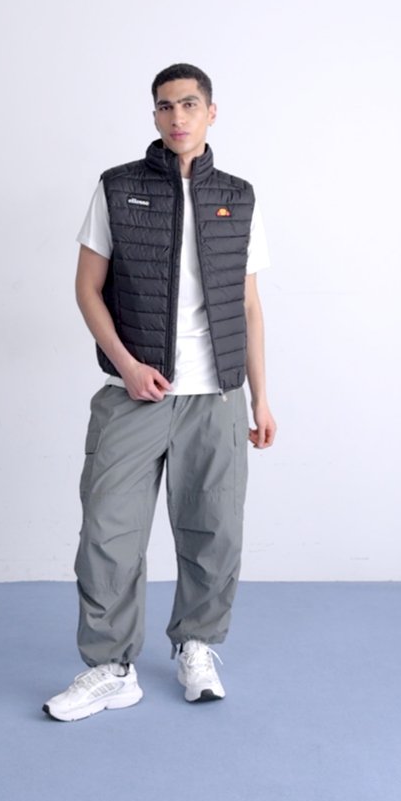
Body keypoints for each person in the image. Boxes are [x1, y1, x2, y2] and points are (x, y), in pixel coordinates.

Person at [43, 63, 276, 722]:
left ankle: (196, 646)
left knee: (213, 532)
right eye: (166, 106)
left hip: (216, 398)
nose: (178, 117)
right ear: (154, 115)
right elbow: (87, 288)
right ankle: (111, 669)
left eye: (190, 104)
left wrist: (261, 397)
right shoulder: (118, 187)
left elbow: (249, 307)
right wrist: (126, 364)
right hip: (132, 395)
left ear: (211, 113)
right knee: (108, 534)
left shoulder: (239, 197)